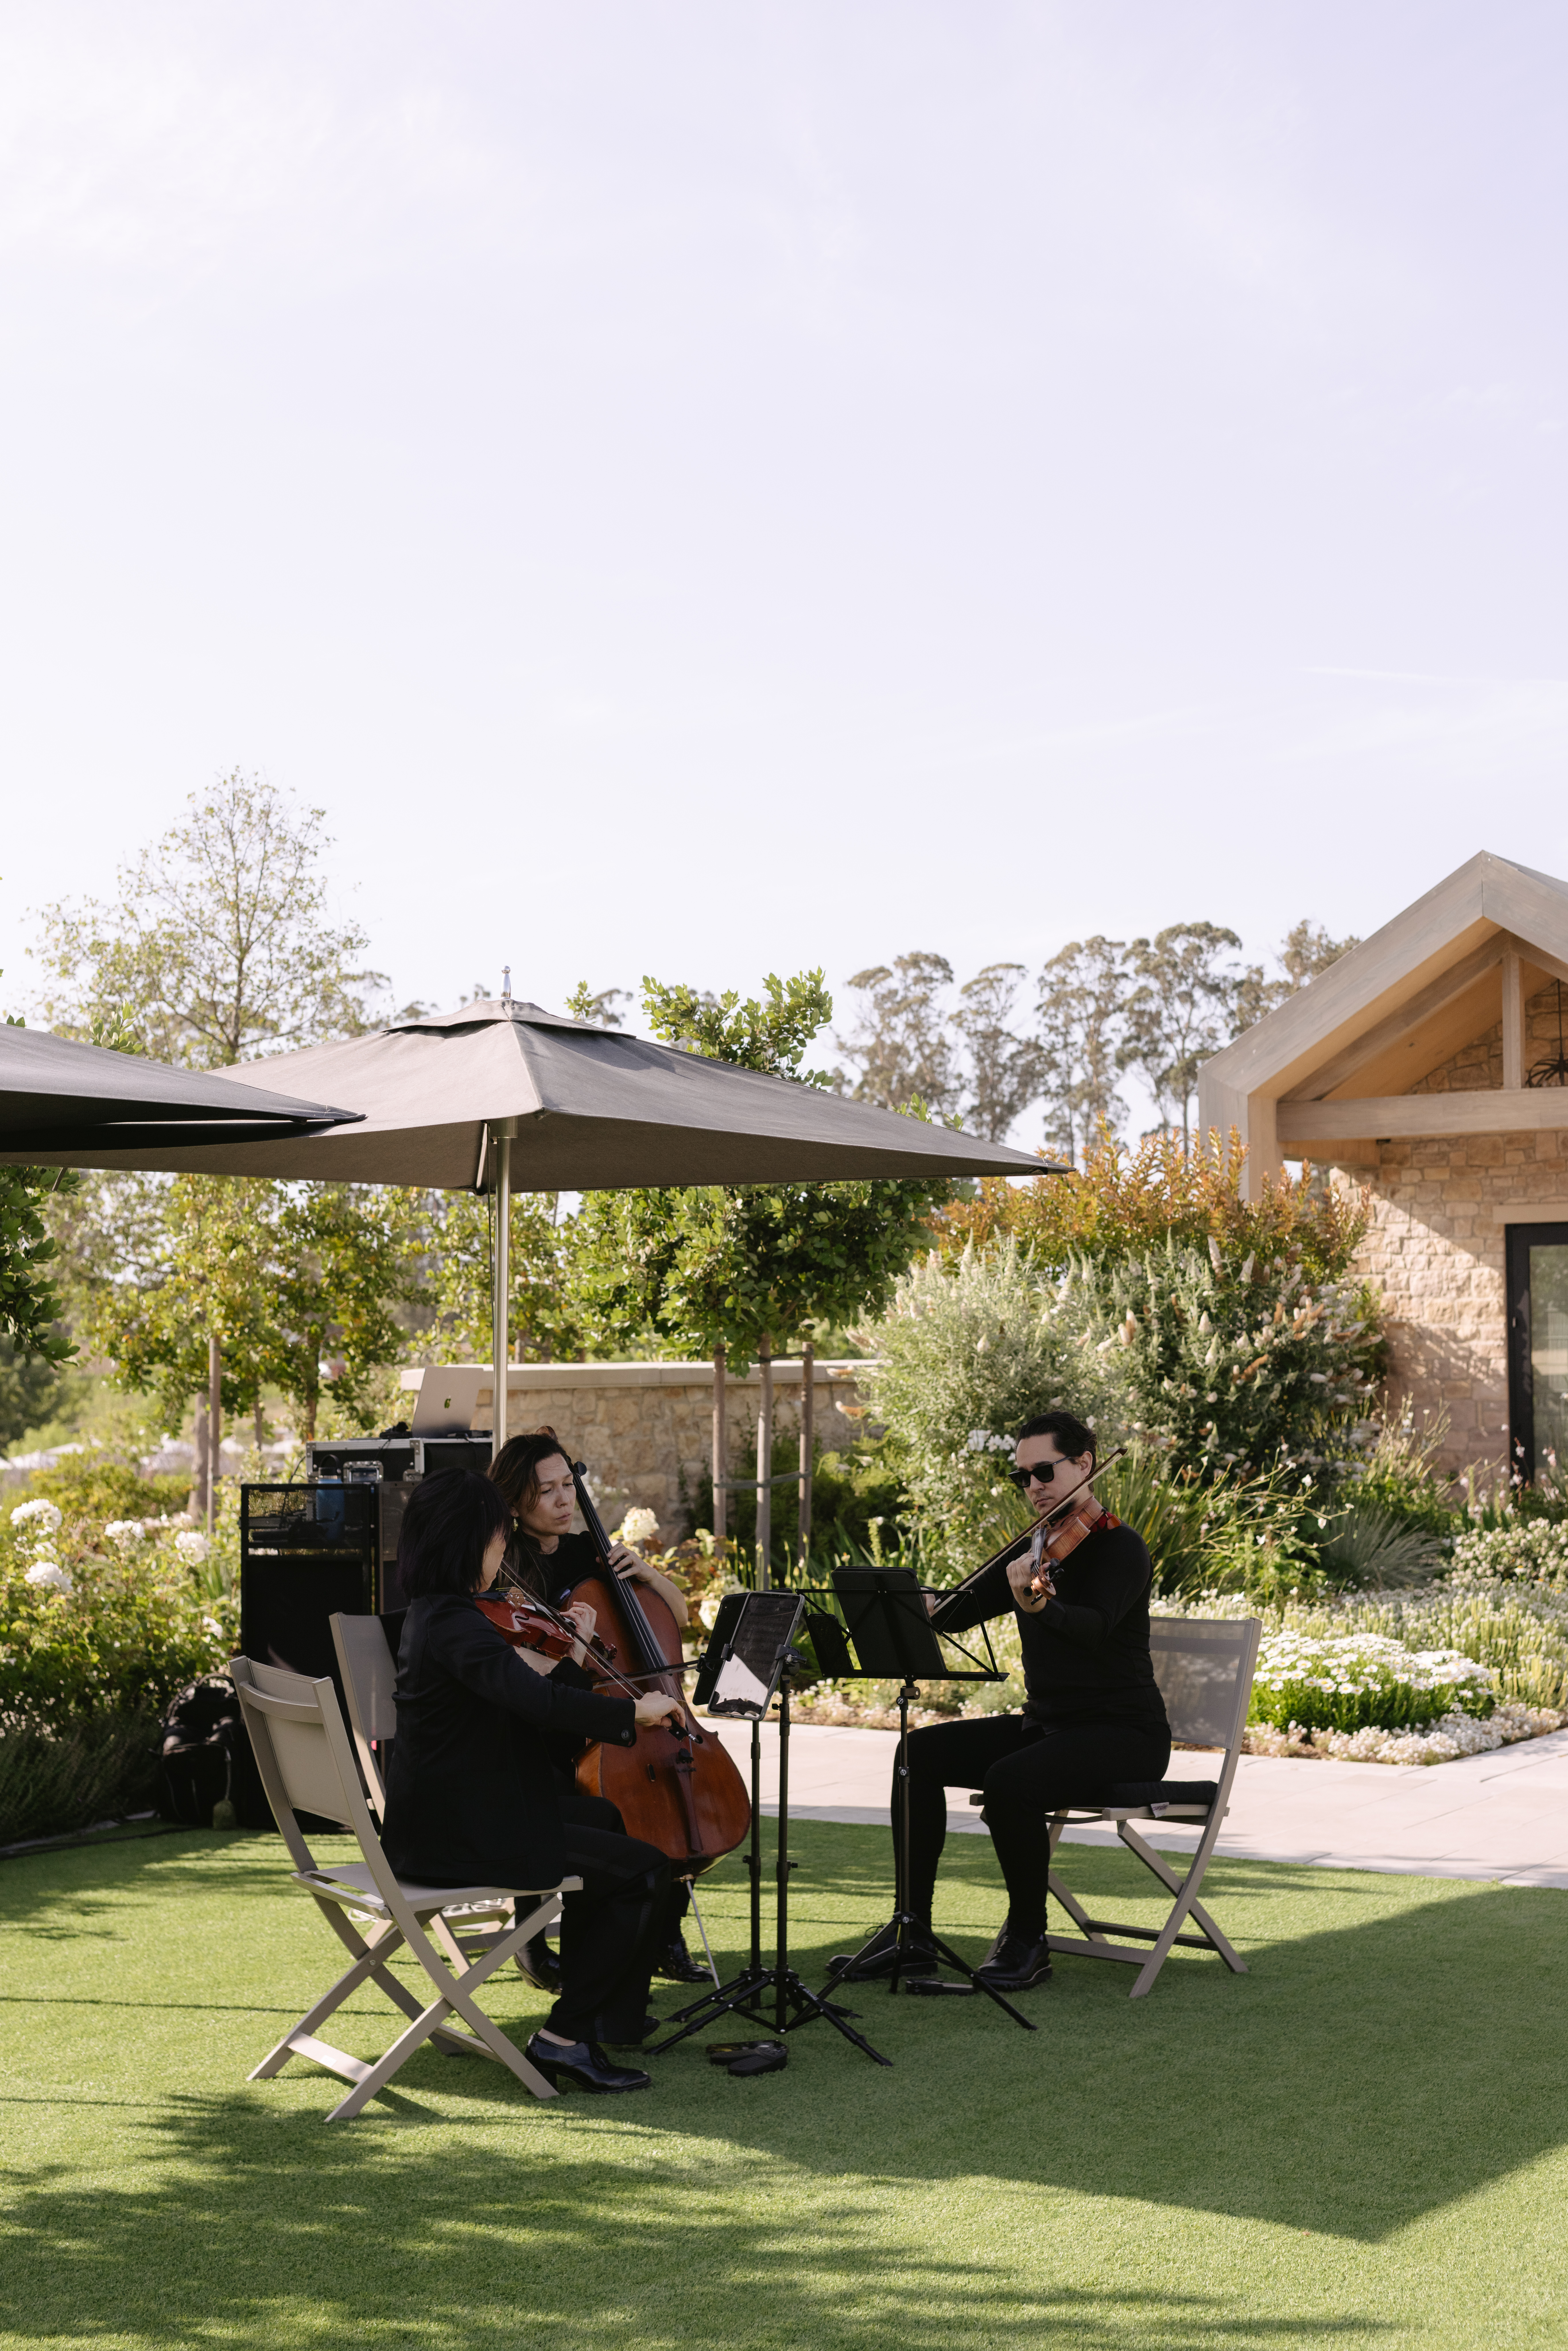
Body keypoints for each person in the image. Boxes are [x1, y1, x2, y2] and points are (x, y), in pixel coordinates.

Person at [835, 1408, 1170, 1995]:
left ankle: (1028, 1941)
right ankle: (912, 1934)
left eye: (1043, 1471)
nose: (1033, 1486)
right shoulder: (1035, 1549)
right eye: (1023, 1477)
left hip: (1124, 1735)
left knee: (1011, 1781)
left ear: (1084, 1464)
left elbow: (1093, 1629)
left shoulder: (1120, 1548)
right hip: (1050, 1726)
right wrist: (923, 1605)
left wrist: (1041, 1605)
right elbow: (960, 1611)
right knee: (917, 1754)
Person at [381, 1467, 685, 2094]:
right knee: (643, 1871)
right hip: (457, 1839)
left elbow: (523, 1696)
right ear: (468, 1544)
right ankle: (566, 2036)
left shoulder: (440, 1614)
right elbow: (536, 1702)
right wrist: (633, 1711)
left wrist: (571, 1657)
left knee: (607, 1820)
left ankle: (604, 2017)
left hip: (446, 1819)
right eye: (498, 1539)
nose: (503, 1551)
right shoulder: (456, 1625)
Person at [489, 1429, 710, 1986]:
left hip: (610, 1714)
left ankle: (663, 1931)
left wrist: (649, 1574)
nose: (565, 1500)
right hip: (549, 1723)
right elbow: (524, 1678)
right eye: (547, 1491)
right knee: (554, 1787)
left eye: (569, 1485)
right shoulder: (503, 1568)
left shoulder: (591, 1551)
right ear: (514, 1502)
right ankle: (531, 1941)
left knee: (672, 1795)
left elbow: (679, 1617)